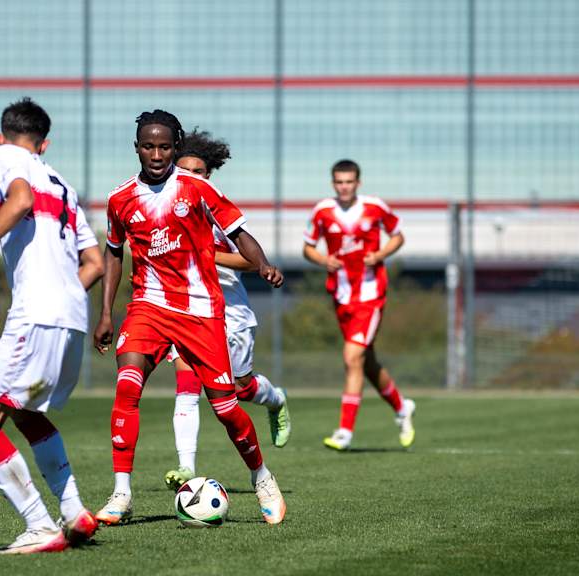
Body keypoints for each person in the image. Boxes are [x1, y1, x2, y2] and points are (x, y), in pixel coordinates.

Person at [93, 110, 287, 526]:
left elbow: (238, 233)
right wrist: (106, 312)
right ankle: (121, 493)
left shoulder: (197, 188)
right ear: (137, 148)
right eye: (148, 146)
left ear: (175, 148)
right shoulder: (120, 198)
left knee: (226, 407)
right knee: (127, 385)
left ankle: (262, 477)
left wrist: (264, 264)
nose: (156, 154)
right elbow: (113, 252)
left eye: (164, 147)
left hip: (200, 311)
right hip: (148, 306)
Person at [0, 98, 104, 554]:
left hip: (36, 313)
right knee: (24, 412)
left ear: (3, 137)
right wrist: (64, 295)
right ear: (44, 143)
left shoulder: (6, 155)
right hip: (71, 316)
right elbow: (94, 263)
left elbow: (20, 201)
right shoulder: (64, 185)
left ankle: (39, 525)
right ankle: (73, 512)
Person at [163, 129, 291, 492]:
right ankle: (186, 467)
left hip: (231, 312)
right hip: (187, 310)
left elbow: (251, 260)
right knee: (187, 383)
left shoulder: (217, 209)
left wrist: (206, 254)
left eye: (198, 171)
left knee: (239, 388)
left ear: (209, 175)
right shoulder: (165, 208)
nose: (190, 176)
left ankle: (276, 400)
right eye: (183, 170)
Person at [302, 159, 416, 451]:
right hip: (341, 296)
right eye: (339, 182)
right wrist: (323, 260)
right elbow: (308, 248)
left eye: (349, 182)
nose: (344, 187)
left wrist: (379, 255)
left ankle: (344, 432)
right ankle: (402, 408)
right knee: (367, 363)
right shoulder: (322, 211)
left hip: (370, 295)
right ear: (333, 184)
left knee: (352, 357)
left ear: (358, 183)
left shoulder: (375, 207)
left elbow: (398, 236)